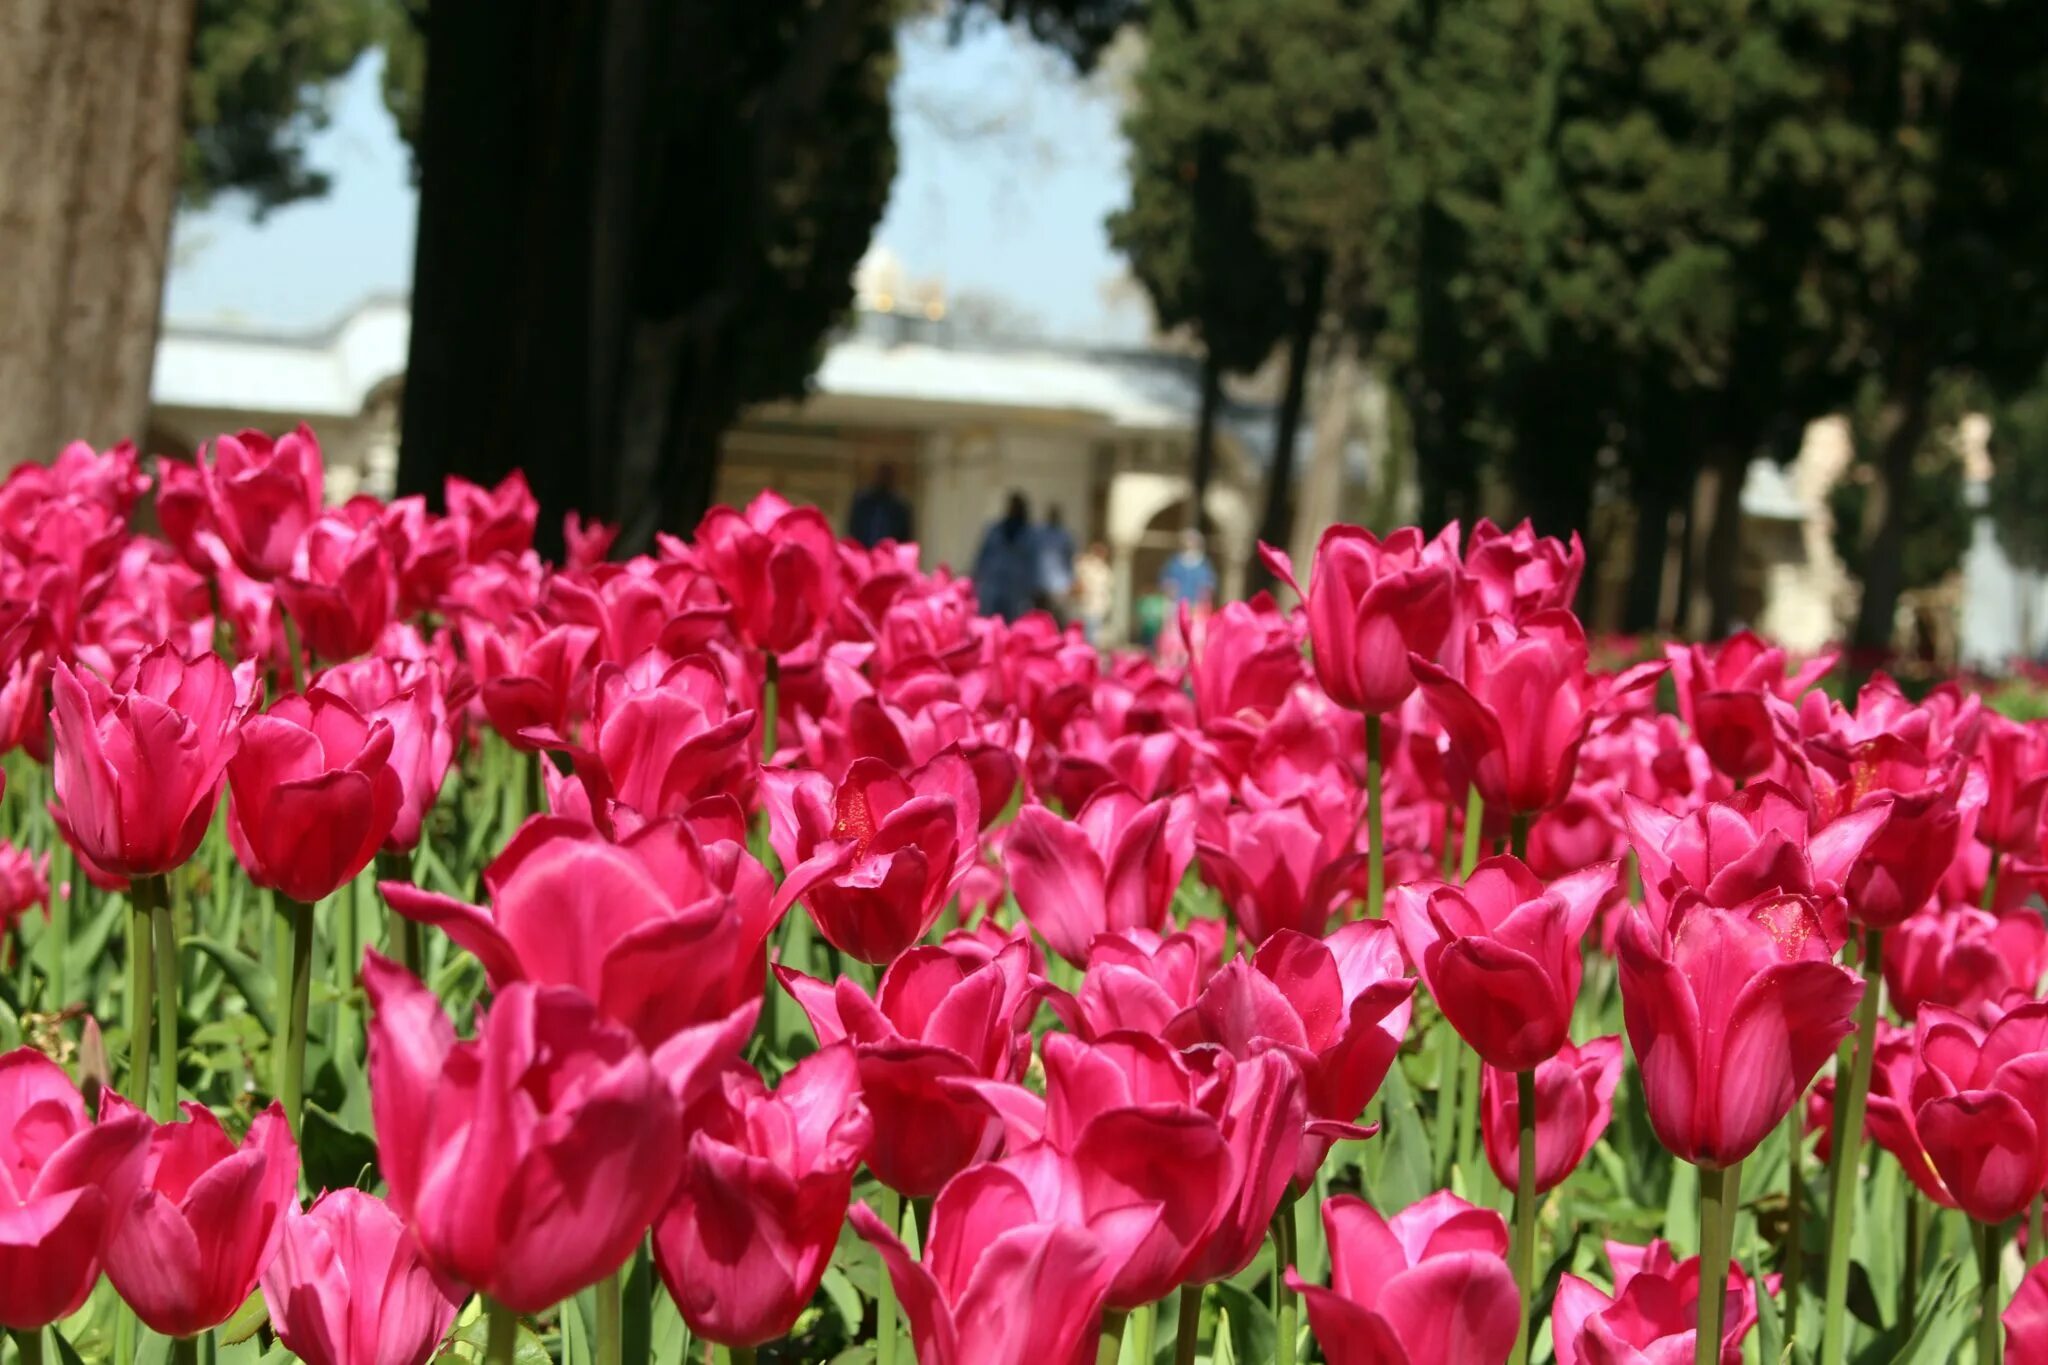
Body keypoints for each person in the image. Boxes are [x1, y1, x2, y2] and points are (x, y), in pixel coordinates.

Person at [973, 492, 1039, 621]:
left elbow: (1033, 565)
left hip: (1017, 592)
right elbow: (981, 557)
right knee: (989, 624)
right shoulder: (994, 530)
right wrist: (975, 580)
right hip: (993, 587)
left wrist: (1033, 591)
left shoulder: (1030, 534)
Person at [848, 464, 913, 547]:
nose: (884, 479)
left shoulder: (900, 507)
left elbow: (905, 537)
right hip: (864, 551)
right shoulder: (863, 502)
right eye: (883, 475)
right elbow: (853, 529)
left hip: (889, 554)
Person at [1034, 505, 1077, 616]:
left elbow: (1069, 560)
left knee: (1056, 619)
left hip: (1058, 587)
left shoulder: (1064, 536)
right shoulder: (1040, 534)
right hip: (1043, 586)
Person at [1159, 528, 1218, 608]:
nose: (1190, 543)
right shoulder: (1174, 562)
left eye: (1192, 540)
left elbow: (1210, 582)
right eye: (1188, 540)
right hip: (1176, 602)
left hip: (1197, 603)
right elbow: (1165, 579)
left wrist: (1205, 591)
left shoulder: (1203, 563)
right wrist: (1170, 588)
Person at [1073, 540, 1113, 643]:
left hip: (1097, 605)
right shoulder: (1085, 565)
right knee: (1085, 634)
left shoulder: (1104, 568)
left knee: (1093, 634)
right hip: (1086, 604)